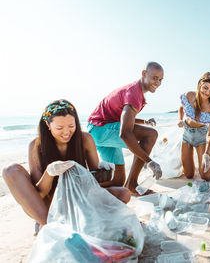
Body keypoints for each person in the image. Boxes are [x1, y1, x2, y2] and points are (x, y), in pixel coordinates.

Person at [2, 100, 131, 233]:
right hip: (50, 204)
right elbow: (39, 194)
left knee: (124, 194)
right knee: (10, 170)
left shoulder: (85, 139)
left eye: (71, 126)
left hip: (79, 199)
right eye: (59, 128)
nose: (66, 132)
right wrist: (50, 172)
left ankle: (74, 221)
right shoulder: (36, 146)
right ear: (48, 125)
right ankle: (47, 224)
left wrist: (103, 170)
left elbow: (95, 183)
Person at [88, 62, 163, 195]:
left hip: (100, 130)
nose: (158, 82)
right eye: (155, 78)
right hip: (101, 129)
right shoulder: (134, 93)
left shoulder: (136, 92)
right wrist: (150, 162)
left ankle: (90, 191)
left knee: (117, 180)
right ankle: (132, 184)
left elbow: (126, 118)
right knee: (150, 135)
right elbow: (124, 133)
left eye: (160, 80)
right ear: (144, 74)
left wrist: (145, 121)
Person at [177, 72, 210, 181]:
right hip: (187, 134)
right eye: (205, 88)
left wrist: (207, 153)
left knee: (206, 177)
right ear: (199, 84)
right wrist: (180, 119)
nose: (207, 92)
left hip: (201, 137)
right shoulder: (189, 95)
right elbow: (182, 108)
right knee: (189, 175)